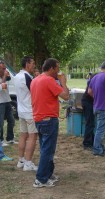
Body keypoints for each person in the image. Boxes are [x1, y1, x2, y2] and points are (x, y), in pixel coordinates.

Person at [30, 58, 69, 188]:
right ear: (51, 68)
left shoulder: (36, 80)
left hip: (39, 118)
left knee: (45, 148)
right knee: (48, 149)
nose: (58, 71)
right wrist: (63, 82)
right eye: (57, 68)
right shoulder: (49, 80)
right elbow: (66, 96)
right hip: (48, 119)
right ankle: (41, 179)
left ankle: (48, 173)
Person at [15, 56, 39, 171]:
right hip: (29, 111)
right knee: (32, 136)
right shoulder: (26, 76)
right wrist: (37, 79)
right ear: (27, 64)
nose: (34, 65)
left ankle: (21, 160)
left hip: (21, 110)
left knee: (23, 135)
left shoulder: (17, 76)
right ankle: (28, 163)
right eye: (33, 63)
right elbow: (35, 91)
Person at [0, 60, 16, 145]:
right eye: (3, 68)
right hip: (0, 102)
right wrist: (4, 77)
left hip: (7, 100)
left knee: (11, 120)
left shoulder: (4, 76)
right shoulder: (3, 77)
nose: (5, 70)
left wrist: (6, 76)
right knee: (0, 122)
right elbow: (1, 85)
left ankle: (10, 138)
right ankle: (1, 140)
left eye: (5, 68)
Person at [81, 73, 95, 150]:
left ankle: (91, 141)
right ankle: (87, 143)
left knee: (91, 123)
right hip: (87, 103)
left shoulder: (93, 80)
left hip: (89, 102)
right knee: (90, 123)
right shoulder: (92, 81)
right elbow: (90, 92)